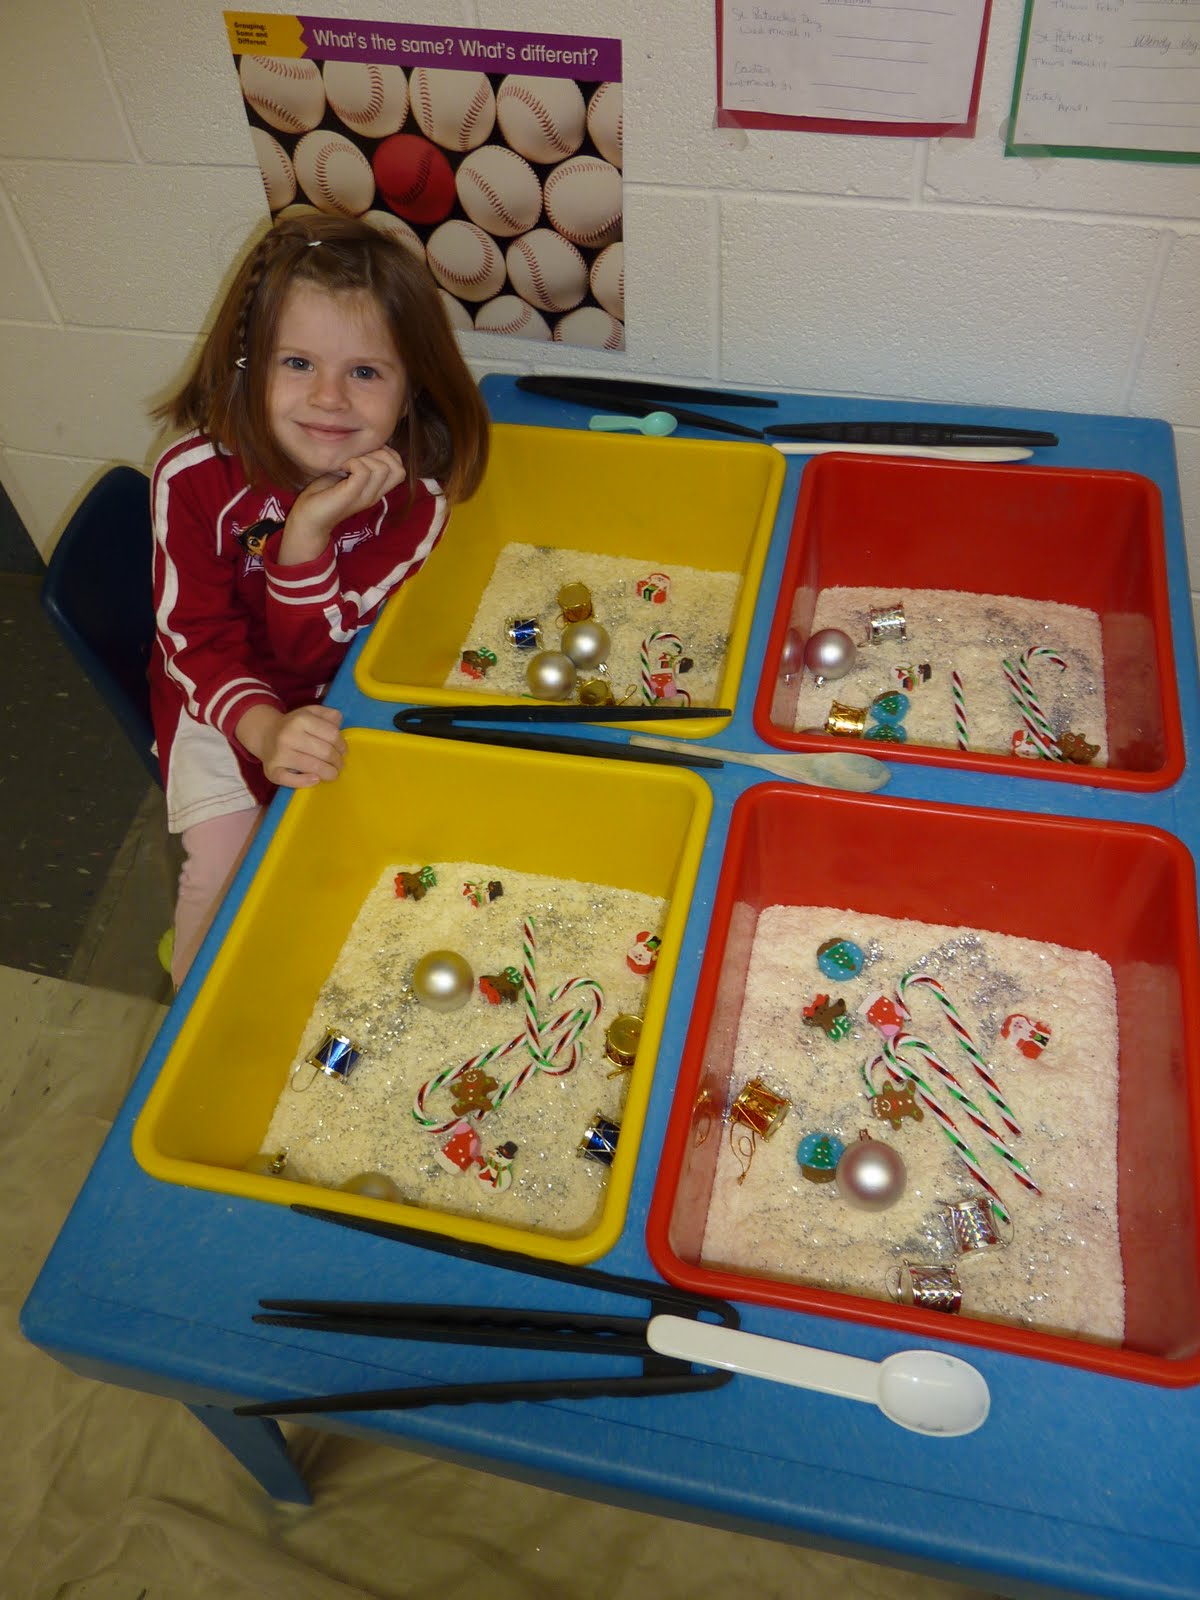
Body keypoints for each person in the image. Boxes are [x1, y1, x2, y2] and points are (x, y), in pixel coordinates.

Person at [149, 213, 490, 988]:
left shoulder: (413, 496)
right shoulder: (194, 475)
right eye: (297, 362)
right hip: (220, 699)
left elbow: (320, 653)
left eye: (367, 372)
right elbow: (194, 641)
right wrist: (264, 728)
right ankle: (195, 1004)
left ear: (411, 389)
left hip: (334, 685)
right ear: (247, 366)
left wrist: (303, 542)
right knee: (219, 871)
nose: (329, 400)